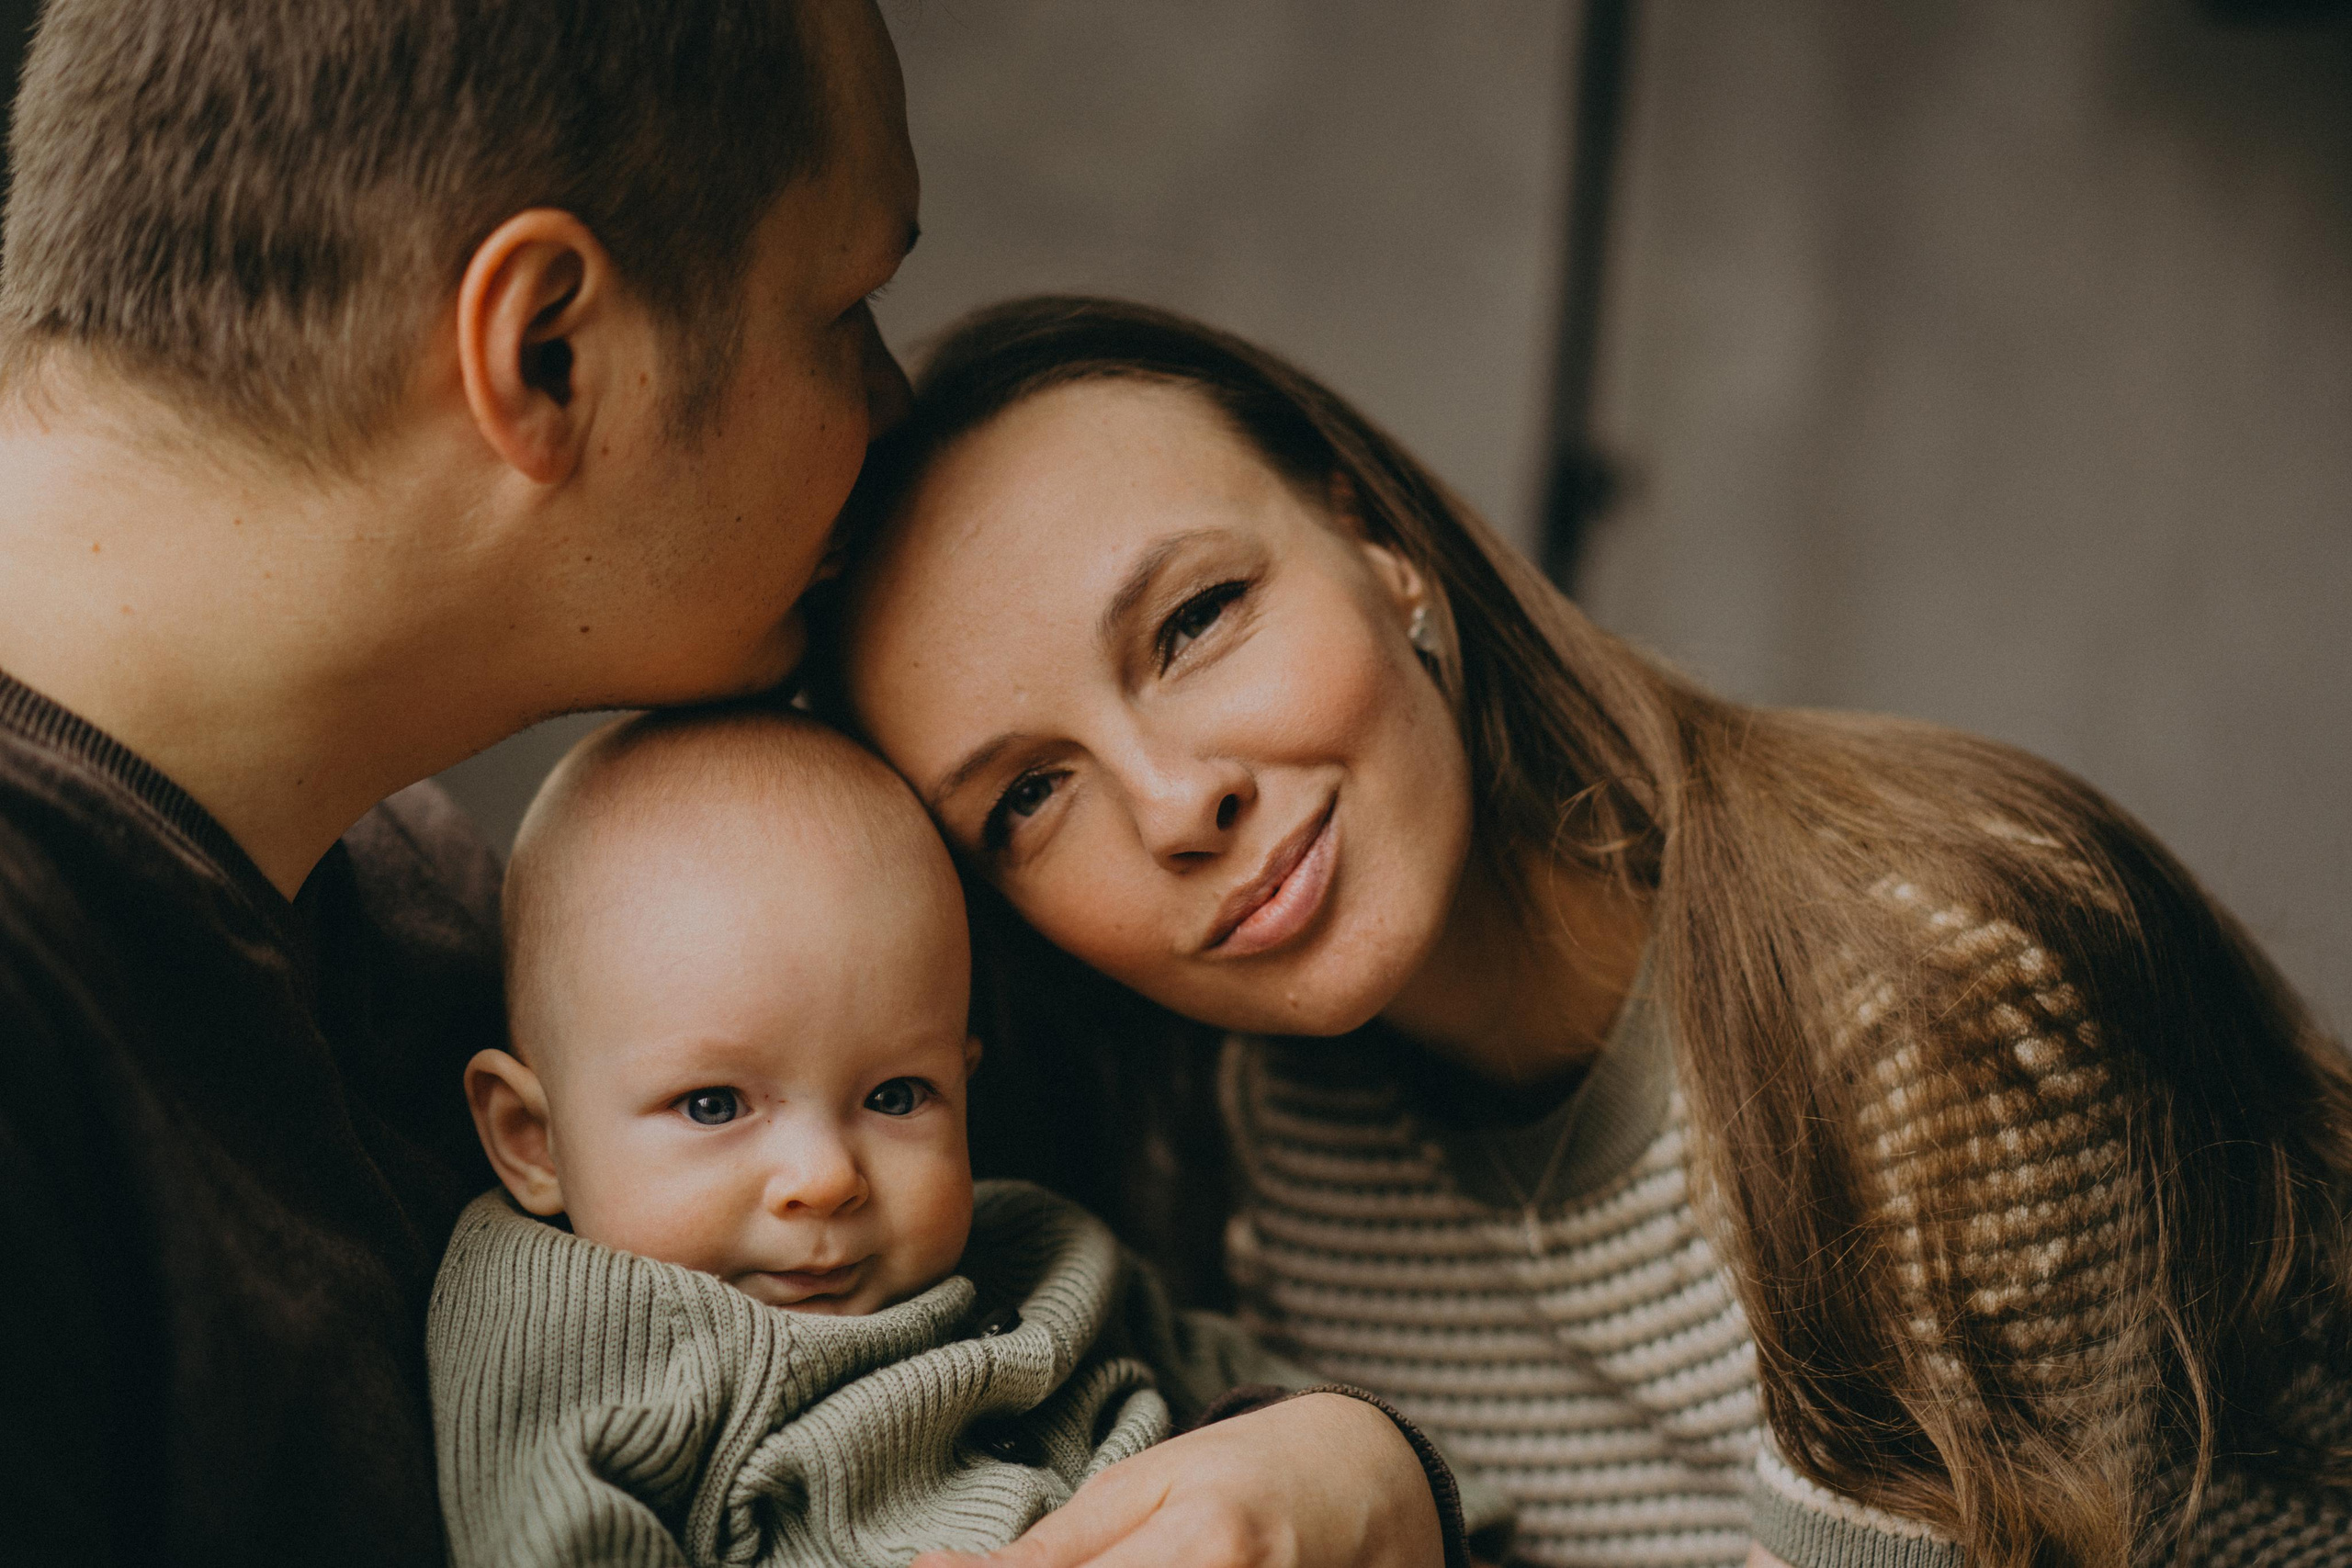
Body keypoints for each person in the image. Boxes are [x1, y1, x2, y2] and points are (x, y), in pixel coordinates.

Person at [0, 6, 1456, 1566]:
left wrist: (1357, 1462)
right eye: (846, 307)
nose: (892, 407)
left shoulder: (448, 917)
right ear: (546, 351)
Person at [820, 296, 2352, 1568]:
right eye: (1029, 795)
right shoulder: (1266, 1157)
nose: (1175, 803)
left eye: (1196, 618)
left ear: (1376, 542)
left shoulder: (1937, 985)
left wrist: (1384, 1486)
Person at [431, 705, 1460, 1567]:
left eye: (895, 1096)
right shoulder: (575, 1325)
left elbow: (1322, 1442)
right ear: (533, 1140)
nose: (825, 1178)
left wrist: (1368, 1456)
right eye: (713, 1106)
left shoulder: (1046, 1250)